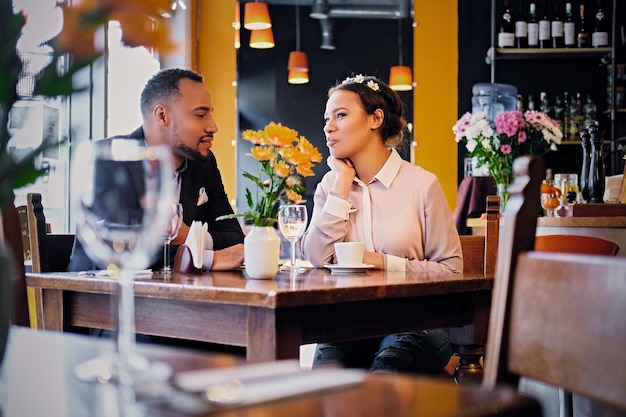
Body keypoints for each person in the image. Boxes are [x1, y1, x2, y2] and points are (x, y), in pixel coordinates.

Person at [301, 74, 463, 375]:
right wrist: (342, 184)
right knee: (322, 388)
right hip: (348, 324)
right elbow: (315, 258)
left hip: (420, 322)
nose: (328, 127)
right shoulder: (330, 186)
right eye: (327, 118)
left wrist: (382, 263)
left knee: (383, 378)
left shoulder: (422, 185)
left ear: (375, 119)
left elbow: (452, 271)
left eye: (341, 115)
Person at [69, 68, 245, 272]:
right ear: (162, 116)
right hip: (95, 296)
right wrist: (205, 258)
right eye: (200, 114)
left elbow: (235, 239)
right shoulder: (109, 158)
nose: (213, 126)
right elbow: (118, 252)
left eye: (210, 115)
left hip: (172, 297)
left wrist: (188, 236)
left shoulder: (203, 163)